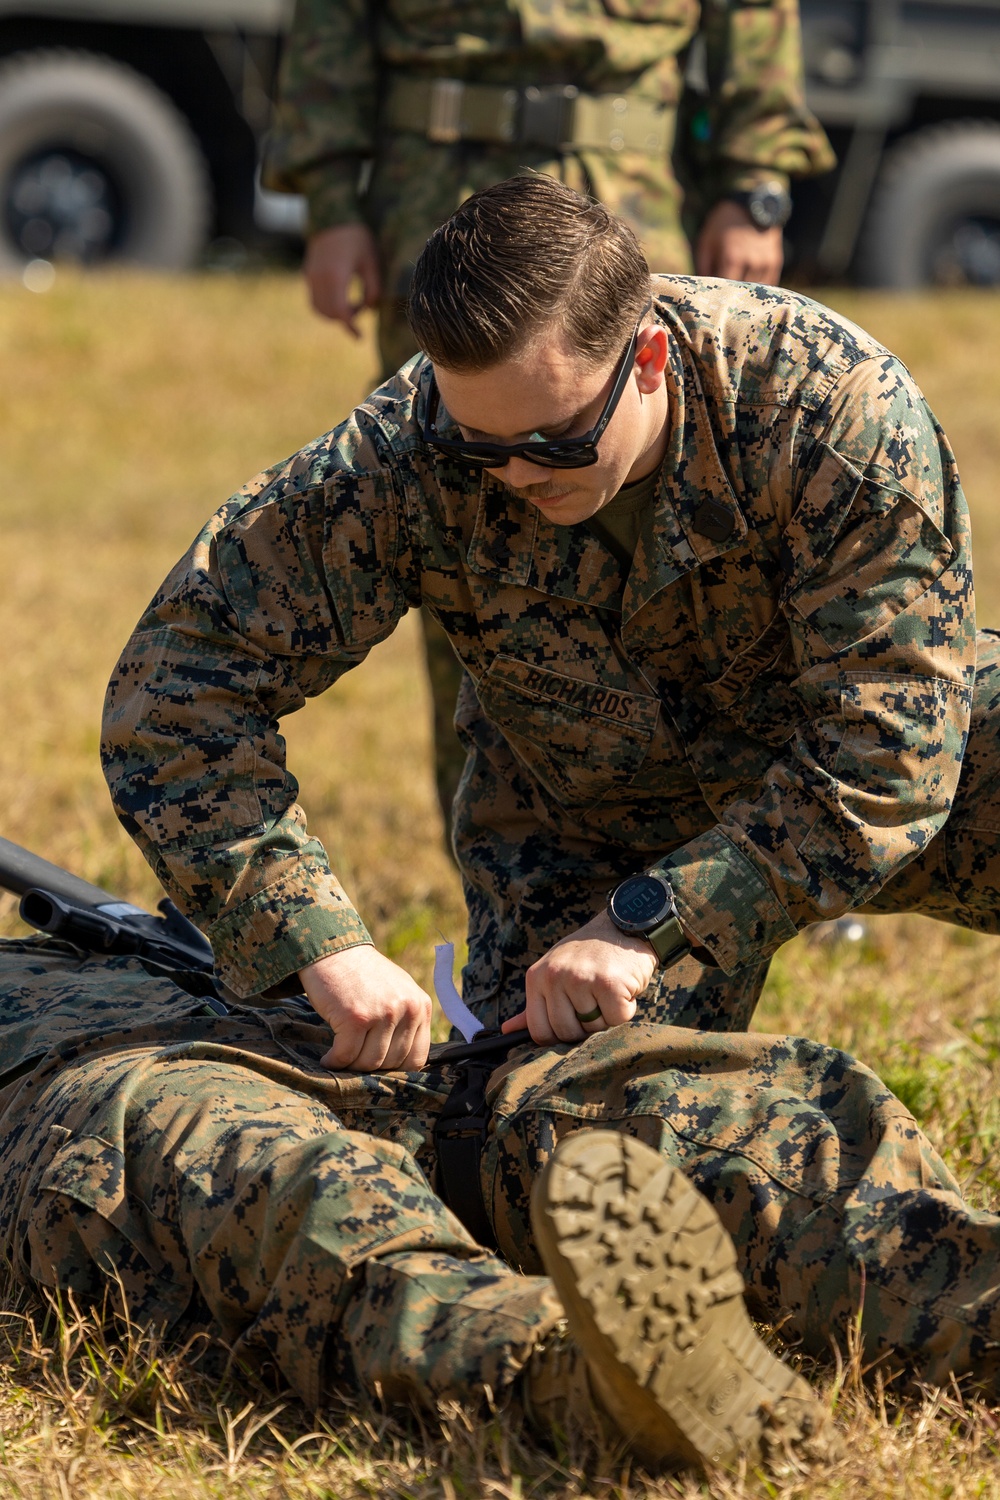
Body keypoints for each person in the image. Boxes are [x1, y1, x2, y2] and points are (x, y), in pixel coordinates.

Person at [102, 174, 991, 1067]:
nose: (518, 477)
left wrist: (656, 917)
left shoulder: (832, 412)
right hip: (589, 822)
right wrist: (313, 939)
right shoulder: (406, 450)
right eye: (479, 447)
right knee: (555, 1143)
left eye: (557, 442)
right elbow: (176, 693)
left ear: (647, 359)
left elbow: (892, 751)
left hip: (852, 767)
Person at [4, 934, 1000, 1472]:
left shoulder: (84, 930)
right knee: (315, 1201)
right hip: (98, 1090)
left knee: (693, 1121)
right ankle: (576, 1372)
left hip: (364, 1057)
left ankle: (970, 1299)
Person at [261, 0, 836, 829]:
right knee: (459, 522)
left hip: (627, 190)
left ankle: (735, 835)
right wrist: (329, 199)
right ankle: (494, 844)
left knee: (673, 533)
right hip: (439, 201)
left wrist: (755, 185)